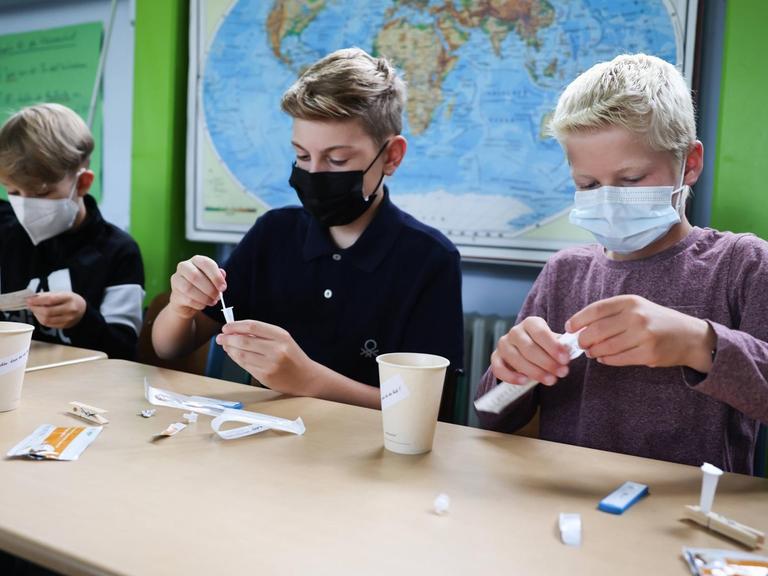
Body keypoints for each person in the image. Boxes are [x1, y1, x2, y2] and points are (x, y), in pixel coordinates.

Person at [475, 54, 768, 474]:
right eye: (588, 185)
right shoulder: (564, 273)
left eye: (631, 180)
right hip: (570, 503)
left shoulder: (741, 266)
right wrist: (510, 371)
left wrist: (697, 343)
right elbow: (494, 416)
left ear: (691, 163)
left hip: (687, 515)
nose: (608, 199)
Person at [152, 48, 463, 410]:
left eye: (337, 159)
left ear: (391, 157)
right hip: (262, 442)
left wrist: (309, 380)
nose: (313, 173)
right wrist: (181, 306)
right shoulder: (273, 234)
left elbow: (429, 406)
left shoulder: (428, 259)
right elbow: (169, 346)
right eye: (301, 155)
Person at [0, 103, 144, 360]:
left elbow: (125, 354)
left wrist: (83, 318)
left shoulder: (119, 251)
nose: (24, 204)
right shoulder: (6, 234)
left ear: (82, 183)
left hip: (83, 388)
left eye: (41, 193)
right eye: (13, 192)